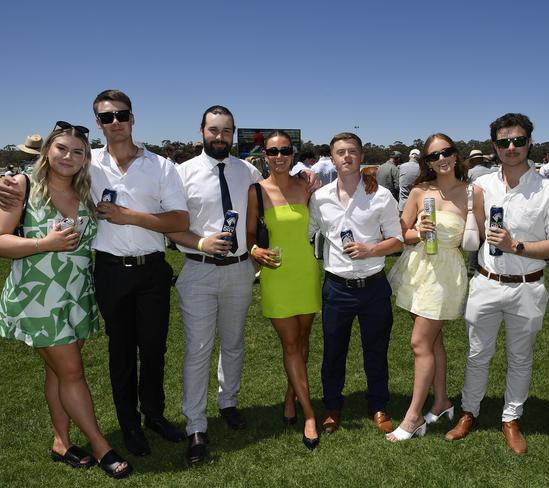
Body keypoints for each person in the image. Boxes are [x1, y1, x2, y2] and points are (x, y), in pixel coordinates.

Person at [167, 106, 320, 466]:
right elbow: (171, 224)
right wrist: (200, 242)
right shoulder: (182, 173)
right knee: (198, 348)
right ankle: (196, 426)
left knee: (234, 344)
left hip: (239, 269)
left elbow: (278, 190)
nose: (219, 137)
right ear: (202, 131)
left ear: (233, 134)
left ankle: (229, 403)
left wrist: (307, 177)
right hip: (199, 267)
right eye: (213, 130)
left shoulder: (247, 171)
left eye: (226, 131)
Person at [0, 122, 132, 478]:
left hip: (76, 296)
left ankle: (61, 442)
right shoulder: (23, 186)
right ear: (47, 151)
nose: (68, 157)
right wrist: (44, 243)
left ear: (85, 158)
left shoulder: (86, 191)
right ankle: (101, 445)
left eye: (78, 152)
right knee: (72, 372)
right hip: (38, 298)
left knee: (57, 372)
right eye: (61, 148)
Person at [445, 113, 549, 454]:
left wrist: (517, 246)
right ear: (495, 147)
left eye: (518, 141)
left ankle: (511, 418)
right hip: (486, 282)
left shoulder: (548, 190)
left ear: (530, 142)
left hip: (528, 286)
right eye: (504, 142)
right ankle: (469, 411)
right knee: (477, 353)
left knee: (520, 357)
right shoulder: (482, 185)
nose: (511, 147)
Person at [90, 89, 189, 457]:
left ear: (133, 118)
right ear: (98, 123)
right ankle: (129, 425)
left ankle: (154, 415)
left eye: (121, 114)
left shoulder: (161, 165)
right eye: (106, 117)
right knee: (120, 351)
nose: (115, 122)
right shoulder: (88, 164)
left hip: (152, 272)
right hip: (111, 271)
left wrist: (128, 215)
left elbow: (179, 220)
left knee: (153, 349)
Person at [386, 133, 484, 441]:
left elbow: (480, 236)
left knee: (419, 343)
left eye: (446, 152)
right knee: (433, 341)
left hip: (446, 273)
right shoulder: (420, 191)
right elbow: (401, 232)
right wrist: (417, 230)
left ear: (456, 155)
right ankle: (441, 402)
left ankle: (414, 416)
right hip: (418, 269)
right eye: (433, 155)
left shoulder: (472, 193)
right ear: (427, 162)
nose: (441, 159)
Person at [309, 132, 403, 435]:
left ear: (361, 156)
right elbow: (311, 232)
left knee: (376, 351)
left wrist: (371, 249)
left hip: (374, 287)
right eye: (340, 152)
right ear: (332, 158)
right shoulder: (320, 198)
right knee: (333, 352)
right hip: (336, 287)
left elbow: (397, 240)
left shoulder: (380, 196)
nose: (346, 156)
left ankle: (378, 405)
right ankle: (333, 406)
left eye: (352, 151)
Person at [246, 131, 321, 449]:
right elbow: (249, 234)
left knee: (303, 342)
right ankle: (309, 414)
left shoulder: (307, 185)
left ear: (293, 154)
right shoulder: (257, 191)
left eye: (285, 151)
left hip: (305, 271)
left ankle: (290, 397)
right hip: (276, 275)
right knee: (290, 345)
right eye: (273, 151)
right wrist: (254, 251)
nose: (279, 156)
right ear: (265, 155)